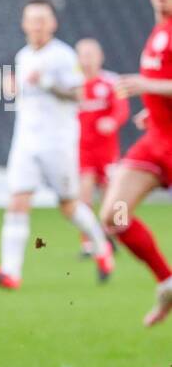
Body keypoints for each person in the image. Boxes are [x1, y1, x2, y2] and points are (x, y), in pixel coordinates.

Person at [0, 0, 113, 289]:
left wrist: (46, 83)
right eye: (32, 19)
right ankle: (11, 272)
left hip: (58, 142)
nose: (37, 26)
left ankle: (101, 247)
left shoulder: (64, 56)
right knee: (17, 200)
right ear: (24, 24)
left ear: (53, 23)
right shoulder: (22, 56)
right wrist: (13, 89)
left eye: (43, 19)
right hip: (26, 141)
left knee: (69, 206)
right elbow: (26, 95)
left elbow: (78, 95)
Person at [101, 0, 172, 325]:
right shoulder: (159, 30)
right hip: (158, 141)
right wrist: (154, 108)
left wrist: (148, 86)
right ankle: (168, 283)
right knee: (114, 215)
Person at [74, 38, 126, 257]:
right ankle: (89, 243)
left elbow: (122, 109)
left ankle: (112, 237)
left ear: (100, 57)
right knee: (84, 197)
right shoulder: (72, 85)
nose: (87, 60)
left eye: (91, 54)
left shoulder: (112, 82)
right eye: (82, 55)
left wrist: (112, 121)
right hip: (82, 150)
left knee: (112, 198)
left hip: (106, 151)